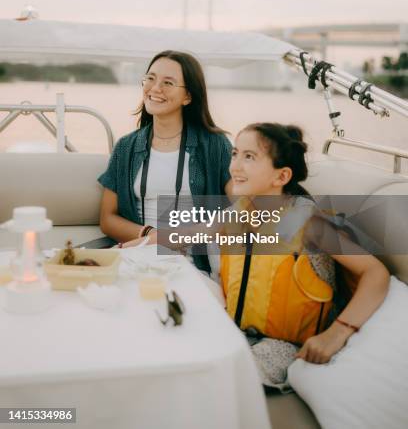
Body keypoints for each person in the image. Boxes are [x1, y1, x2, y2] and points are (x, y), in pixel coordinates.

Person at [219, 122, 390, 389]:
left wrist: (338, 333)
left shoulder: (309, 224)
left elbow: (375, 273)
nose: (235, 166)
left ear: (281, 177)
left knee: (219, 381)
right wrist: (140, 238)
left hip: (285, 344)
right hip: (235, 332)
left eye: (249, 157)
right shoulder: (240, 213)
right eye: (235, 154)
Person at [98, 50, 232, 272]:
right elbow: (107, 218)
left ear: (188, 96)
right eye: (150, 78)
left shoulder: (215, 145)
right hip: (138, 256)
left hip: (194, 265)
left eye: (168, 82)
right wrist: (152, 236)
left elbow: (245, 205)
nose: (155, 88)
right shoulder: (126, 147)